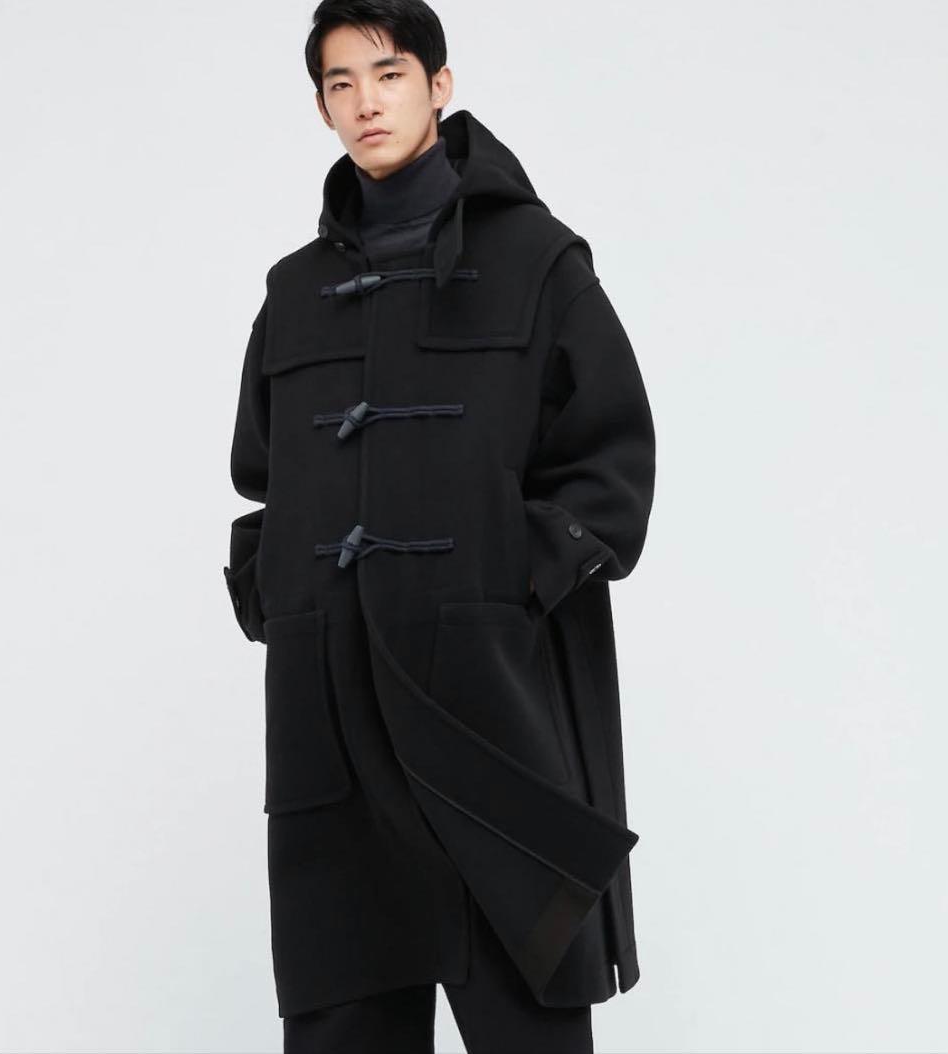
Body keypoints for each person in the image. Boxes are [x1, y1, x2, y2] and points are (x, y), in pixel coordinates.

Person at [223, 2, 656, 1050]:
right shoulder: (297, 292)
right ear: (322, 107)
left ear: (439, 86)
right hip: (331, 717)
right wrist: (280, 594)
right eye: (340, 84)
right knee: (343, 1020)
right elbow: (262, 483)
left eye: (388, 75)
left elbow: (611, 464)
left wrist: (504, 587)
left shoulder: (537, 261)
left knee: (528, 1017)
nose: (365, 103)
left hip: (488, 708)